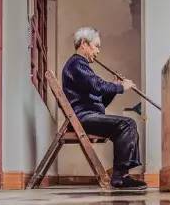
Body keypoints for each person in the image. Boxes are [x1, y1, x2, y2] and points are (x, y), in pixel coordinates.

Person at [62, 27, 147, 190]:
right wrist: (121, 87)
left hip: (87, 115)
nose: (98, 51)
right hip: (82, 117)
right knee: (127, 124)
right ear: (84, 44)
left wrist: (114, 87)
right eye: (96, 46)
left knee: (124, 126)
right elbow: (97, 85)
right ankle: (121, 177)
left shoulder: (80, 66)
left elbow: (99, 101)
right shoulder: (76, 64)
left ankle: (121, 176)